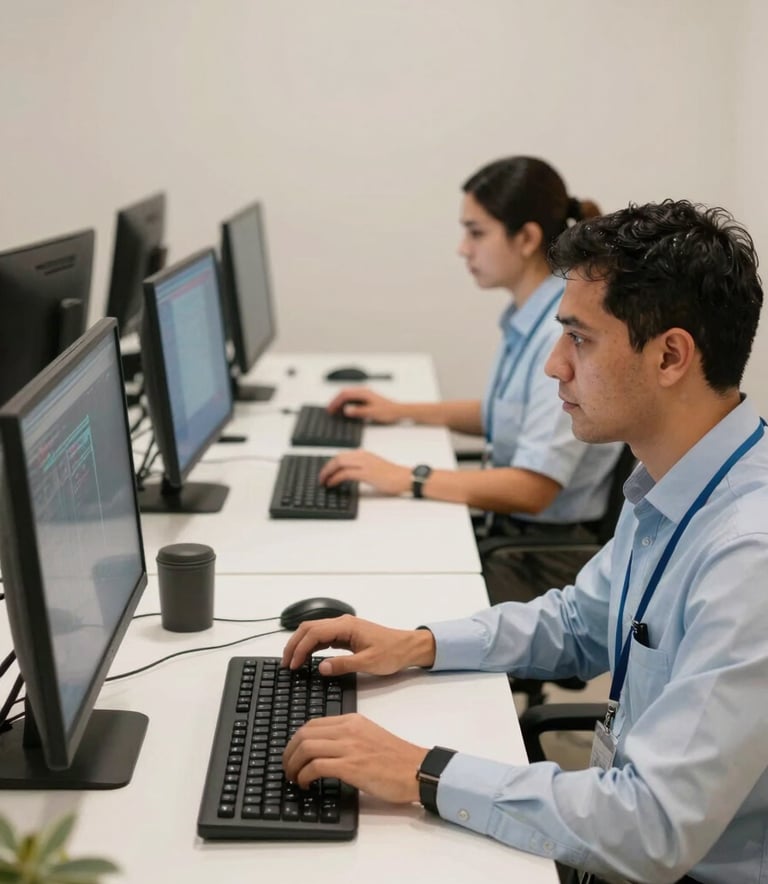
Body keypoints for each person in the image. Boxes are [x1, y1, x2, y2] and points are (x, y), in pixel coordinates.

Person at [281, 200, 767, 884]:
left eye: (580, 339)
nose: (553, 366)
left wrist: (420, 770)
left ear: (670, 355)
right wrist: (416, 643)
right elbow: (577, 621)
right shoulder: (674, 478)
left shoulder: (749, 557)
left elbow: (651, 828)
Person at [321, 156, 624, 606]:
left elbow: (533, 489)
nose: (463, 249)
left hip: (542, 559)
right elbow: (501, 414)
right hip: (513, 534)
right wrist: (399, 410)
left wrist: (406, 477)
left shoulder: (556, 333)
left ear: (525, 238)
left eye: (476, 232)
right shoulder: (530, 314)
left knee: (383, 581)